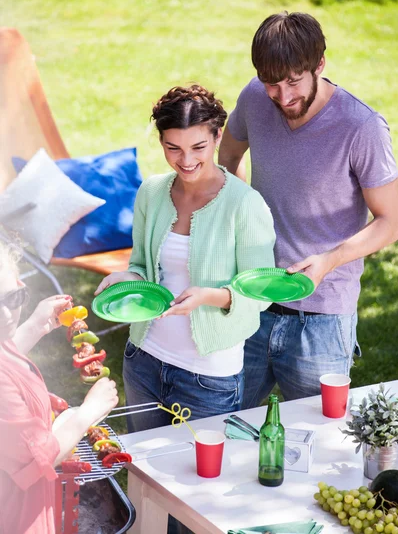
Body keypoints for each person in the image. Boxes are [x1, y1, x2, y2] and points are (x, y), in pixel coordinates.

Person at [218, 11, 398, 406]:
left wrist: (329, 260)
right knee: (225, 424)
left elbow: (391, 221)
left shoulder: (361, 127)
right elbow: (229, 153)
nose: (283, 97)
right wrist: (236, 214)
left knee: (320, 439)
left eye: (293, 81)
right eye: (271, 84)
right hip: (253, 297)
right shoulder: (253, 97)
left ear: (320, 64)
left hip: (322, 318)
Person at [95, 84, 275, 433]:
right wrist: (128, 278)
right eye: (172, 148)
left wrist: (210, 295)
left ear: (218, 136)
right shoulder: (151, 192)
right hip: (144, 357)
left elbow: (262, 292)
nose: (186, 160)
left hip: (208, 374)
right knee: (144, 472)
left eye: (198, 147)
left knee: (201, 481)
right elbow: (144, 266)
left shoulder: (244, 204)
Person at [0, 242, 119, 534]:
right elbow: (39, 458)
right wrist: (87, 413)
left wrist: (36, 325)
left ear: (20, 285)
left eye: (13, 298)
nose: (5, 315)